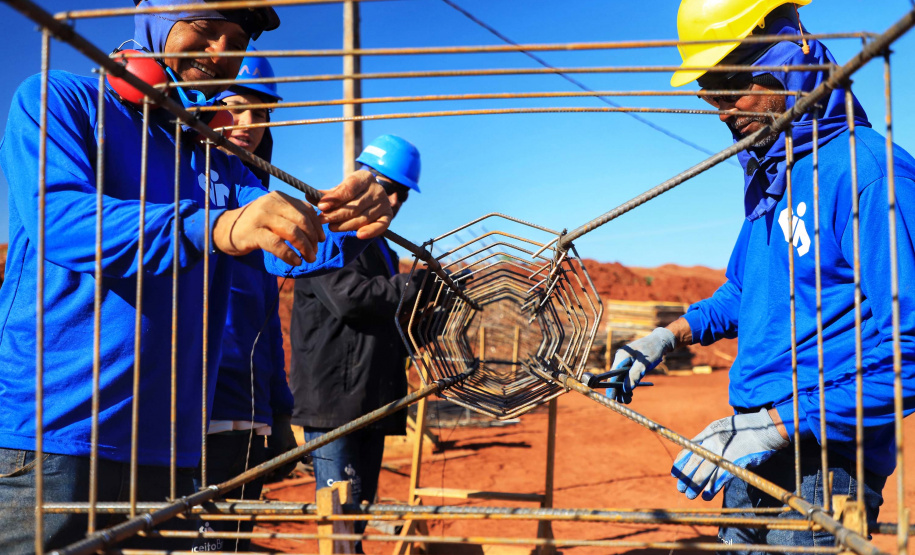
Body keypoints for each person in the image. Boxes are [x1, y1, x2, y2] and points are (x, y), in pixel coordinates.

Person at [0, 1, 392, 552]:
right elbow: (61, 220)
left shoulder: (211, 157)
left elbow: (284, 242)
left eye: (236, 40)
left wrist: (352, 221)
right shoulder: (61, 99)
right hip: (55, 437)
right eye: (206, 32)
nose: (221, 53)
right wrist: (222, 226)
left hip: (167, 450)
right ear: (149, 18)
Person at [609, 1, 915, 550]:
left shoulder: (868, 170)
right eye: (709, 94)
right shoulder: (775, 177)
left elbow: (911, 349)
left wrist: (776, 424)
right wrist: (664, 338)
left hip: (831, 461)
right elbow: (746, 289)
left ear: (786, 54)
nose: (722, 111)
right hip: (750, 439)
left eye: (730, 88)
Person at [289, 134, 426, 554]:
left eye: (401, 194)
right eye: (389, 189)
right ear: (364, 178)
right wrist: (413, 286)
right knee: (340, 523)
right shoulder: (325, 228)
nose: (394, 202)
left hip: (372, 399)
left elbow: (393, 315)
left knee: (357, 515)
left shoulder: (381, 246)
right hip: (333, 403)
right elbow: (350, 299)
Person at [191, 47, 298, 553]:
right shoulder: (180, 180)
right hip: (194, 409)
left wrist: (280, 409)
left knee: (234, 543)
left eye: (261, 113)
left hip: (248, 411)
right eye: (236, 106)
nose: (248, 123)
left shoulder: (260, 195)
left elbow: (263, 316)